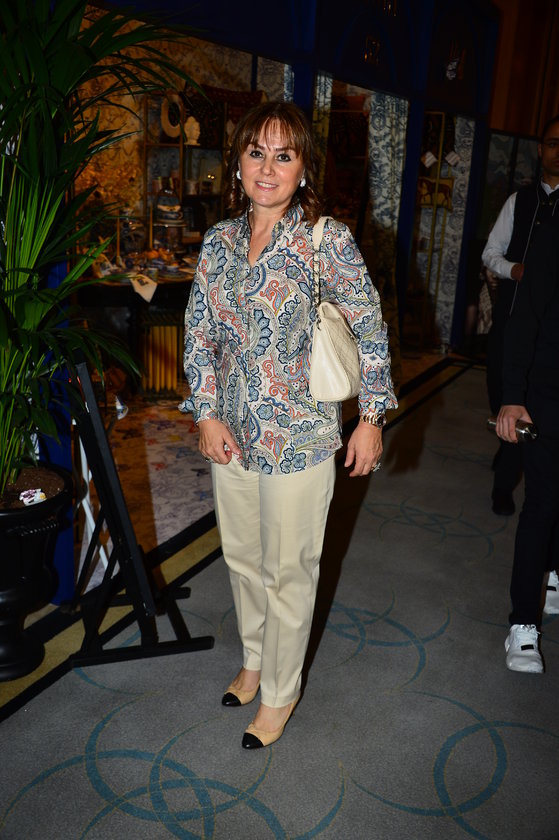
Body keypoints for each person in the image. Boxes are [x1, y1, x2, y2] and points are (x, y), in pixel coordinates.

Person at [183, 101, 397, 747]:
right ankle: (254, 659)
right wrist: (206, 412)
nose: (268, 168)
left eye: (284, 156)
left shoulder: (323, 239)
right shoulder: (219, 241)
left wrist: (371, 418)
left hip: (300, 437)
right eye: (256, 153)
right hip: (232, 434)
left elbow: (370, 328)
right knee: (243, 560)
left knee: (289, 570)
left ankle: (279, 691)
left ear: (303, 168)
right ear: (238, 163)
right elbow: (200, 334)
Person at [482, 114, 559, 516]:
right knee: (504, 396)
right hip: (512, 322)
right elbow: (490, 253)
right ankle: (507, 461)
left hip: (551, 340)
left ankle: (505, 484)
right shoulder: (520, 201)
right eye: (553, 144)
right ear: (540, 149)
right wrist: (516, 271)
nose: (558, 152)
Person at [496, 198, 559, 673]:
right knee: (542, 504)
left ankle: (553, 574)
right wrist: (513, 395)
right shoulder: (554, 232)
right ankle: (523, 624)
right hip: (548, 395)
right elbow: (526, 317)